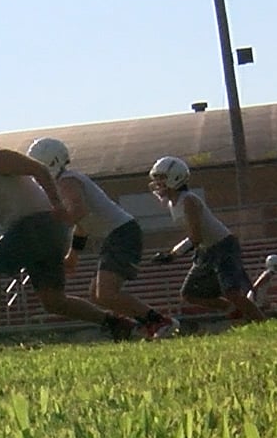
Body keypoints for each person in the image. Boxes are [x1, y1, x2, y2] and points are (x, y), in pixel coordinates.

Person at [0, 107, 144, 347]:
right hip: (38, 228)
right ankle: (118, 324)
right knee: (53, 301)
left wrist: (55, 202)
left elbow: (39, 169)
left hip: (38, 223)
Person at [24, 137, 173, 340]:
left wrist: (54, 224)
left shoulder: (66, 181)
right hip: (116, 235)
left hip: (121, 234)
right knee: (97, 295)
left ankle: (159, 321)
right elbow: (83, 223)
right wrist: (73, 254)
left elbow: (79, 211)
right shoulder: (66, 180)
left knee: (105, 294)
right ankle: (146, 323)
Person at [147, 155, 266, 325]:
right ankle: (236, 314)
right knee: (190, 294)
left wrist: (173, 254)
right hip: (206, 249)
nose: (158, 183)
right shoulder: (173, 202)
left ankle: (263, 323)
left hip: (222, 246)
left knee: (231, 292)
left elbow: (196, 237)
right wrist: (172, 253)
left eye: (161, 178)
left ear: (175, 177)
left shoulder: (188, 200)